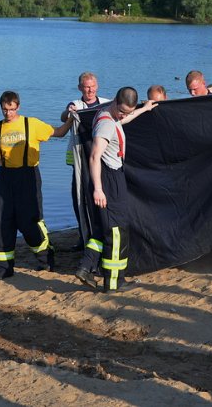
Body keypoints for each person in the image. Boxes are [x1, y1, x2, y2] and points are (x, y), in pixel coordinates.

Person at [0, 91, 74, 280]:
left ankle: (45, 258)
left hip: (28, 176)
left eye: (11, 110)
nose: (8, 114)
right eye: (5, 110)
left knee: (29, 222)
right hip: (5, 178)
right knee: (1, 220)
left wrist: (71, 119)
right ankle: (2, 269)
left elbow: (59, 133)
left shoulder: (33, 124)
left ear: (18, 107)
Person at [74, 87, 157, 292]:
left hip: (111, 176)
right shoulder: (105, 125)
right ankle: (114, 282)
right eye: (122, 111)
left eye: (127, 112)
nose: (124, 115)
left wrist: (143, 110)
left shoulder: (109, 114)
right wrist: (99, 189)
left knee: (105, 228)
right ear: (115, 103)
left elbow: (121, 121)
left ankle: (86, 266)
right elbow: (94, 156)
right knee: (117, 231)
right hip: (109, 178)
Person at [61, 72, 110, 250]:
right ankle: (84, 237)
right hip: (79, 160)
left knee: (101, 198)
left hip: (101, 159)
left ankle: (101, 235)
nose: (90, 90)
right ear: (80, 87)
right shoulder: (76, 105)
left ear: (97, 86)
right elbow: (63, 117)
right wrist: (69, 112)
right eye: (86, 87)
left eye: (92, 86)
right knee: (80, 200)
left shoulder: (106, 103)